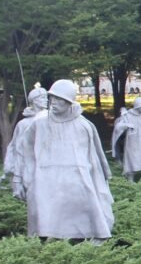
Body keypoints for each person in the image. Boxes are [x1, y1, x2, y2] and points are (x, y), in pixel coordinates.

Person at [17, 79, 114, 241]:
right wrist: (21, 179)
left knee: (84, 214)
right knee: (47, 217)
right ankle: (48, 242)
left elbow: (94, 158)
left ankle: (85, 240)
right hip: (46, 179)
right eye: (52, 98)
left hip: (77, 179)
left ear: (69, 102)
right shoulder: (38, 124)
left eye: (59, 99)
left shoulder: (84, 125)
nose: (53, 102)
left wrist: (100, 181)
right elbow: (25, 152)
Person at [0, 85, 48, 198]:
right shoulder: (24, 125)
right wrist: (16, 178)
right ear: (34, 101)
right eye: (42, 97)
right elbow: (17, 151)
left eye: (46, 97)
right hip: (32, 173)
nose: (46, 100)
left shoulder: (52, 121)